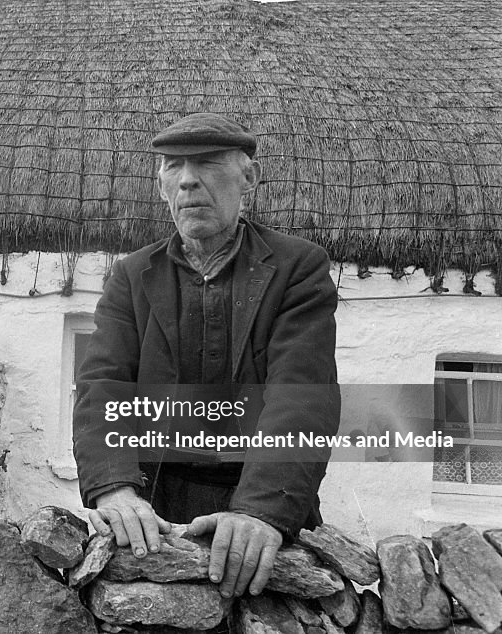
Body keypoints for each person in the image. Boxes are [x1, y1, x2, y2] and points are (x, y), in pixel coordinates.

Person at [72, 113, 339, 601]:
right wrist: (114, 488)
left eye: (209, 164)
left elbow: (302, 394)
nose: (189, 180)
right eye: (174, 167)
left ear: (249, 178)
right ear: (161, 186)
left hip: (258, 506)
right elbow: (103, 386)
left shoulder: (298, 268)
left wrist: (260, 512)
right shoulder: (131, 276)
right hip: (157, 506)